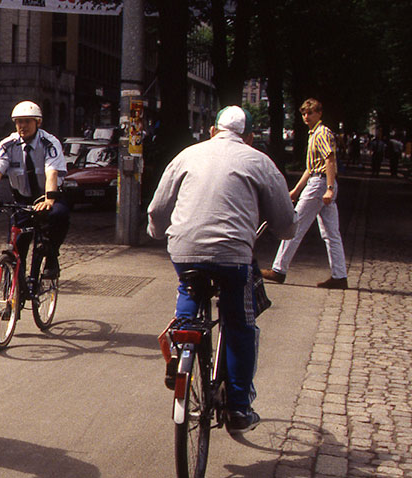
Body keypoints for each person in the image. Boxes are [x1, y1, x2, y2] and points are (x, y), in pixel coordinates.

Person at [147, 105, 296, 435]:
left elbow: (157, 209)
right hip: (232, 256)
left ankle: (182, 344)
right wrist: (281, 230)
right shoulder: (259, 161)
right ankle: (239, 406)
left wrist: (157, 233)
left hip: (183, 250)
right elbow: (287, 224)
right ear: (250, 137)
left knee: (188, 288)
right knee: (240, 323)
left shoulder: (186, 155)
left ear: (212, 131)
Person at [0, 101, 69, 278]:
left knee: (59, 216)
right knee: (17, 249)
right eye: (18, 122)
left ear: (38, 122)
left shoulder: (49, 143)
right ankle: (14, 293)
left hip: (48, 197)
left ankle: (52, 257)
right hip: (22, 200)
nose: (22, 126)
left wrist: (49, 200)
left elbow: (52, 172)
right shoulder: (8, 145)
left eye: (26, 121)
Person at [261, 98, 348, 289]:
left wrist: (329, 188)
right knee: (331, 233)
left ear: (319, 113)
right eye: (303, 113)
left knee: (295, 224)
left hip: (320, 184)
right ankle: (340, 275)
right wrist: (296, 190)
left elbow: (330, 160)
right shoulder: (314, 134)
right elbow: (311, 168)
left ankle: (279, 269)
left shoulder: (322, 133)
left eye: (310, 113)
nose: (306, 117)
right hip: (319, 181)